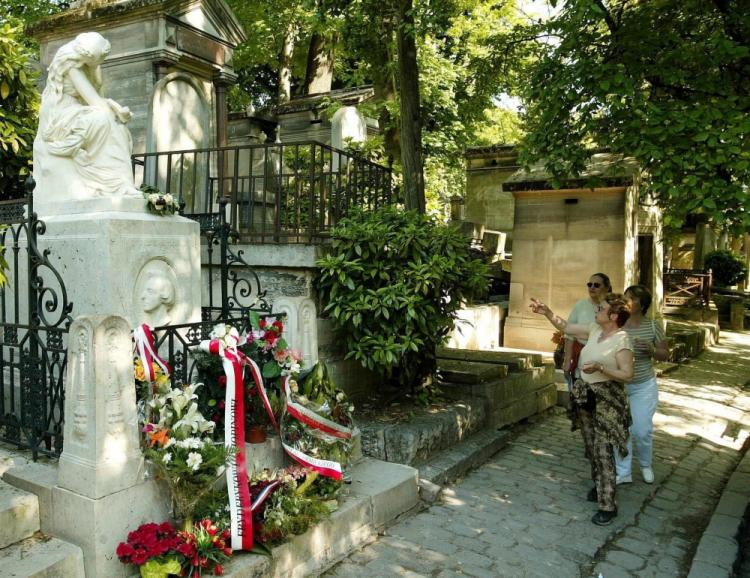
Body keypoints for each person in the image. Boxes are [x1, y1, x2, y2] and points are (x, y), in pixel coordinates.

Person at [530, 294, 634, 526]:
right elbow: (565, 326)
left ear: (614, 316)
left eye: (602, 308)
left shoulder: (622, 340)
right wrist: (547, 312)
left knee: (603, 448)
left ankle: (608, 505)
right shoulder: (595, 330)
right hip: (585, 396)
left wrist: (601, 368)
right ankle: (600, 486)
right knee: (590, 445)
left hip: (607, 400)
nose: (597, 309)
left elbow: (627, 375)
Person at [33, 32, 141, 201]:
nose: (101, 63)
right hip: (61, 115)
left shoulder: (92, 63)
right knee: (103, 118)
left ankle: (122, 184)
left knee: (116, 124)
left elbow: (99, 97)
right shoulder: (71, 67)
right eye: (99, 60)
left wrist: (115, 110)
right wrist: (114, 109)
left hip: (80, 109)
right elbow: (96, 102)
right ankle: (117, 185)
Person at [615, 285, 669, 485]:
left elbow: (665, 354)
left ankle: (645, 464)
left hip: (643, 385)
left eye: (632, 298)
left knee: (641, 429)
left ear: (642, 304)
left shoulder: (653, 326)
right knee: (621, 429)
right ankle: (623, 471)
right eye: (626, 296)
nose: (627, 300)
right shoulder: (617, 324)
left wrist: (652, 350)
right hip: (619, 384)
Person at [563, 273, 613, 390]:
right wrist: (567, 361)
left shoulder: (613, 307)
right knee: (580, 399)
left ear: (606, 288)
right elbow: (569, 334)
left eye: (596, 285)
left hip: (605, 361)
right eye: (589, 284)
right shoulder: (581, 305)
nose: (592, 287)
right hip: (582, 360)